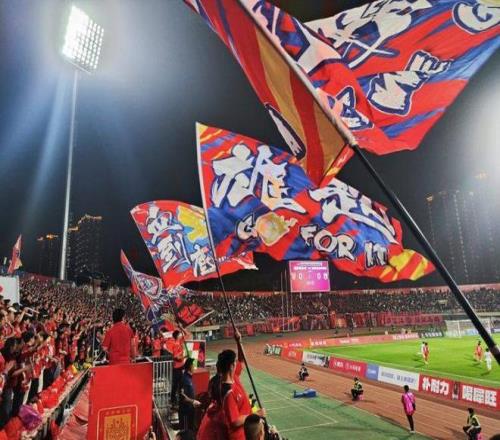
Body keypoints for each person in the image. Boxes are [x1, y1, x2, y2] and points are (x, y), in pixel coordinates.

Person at [221, 331, 265, 440]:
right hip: (239, 436)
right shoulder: (228, 392)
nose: (236, 363)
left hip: (245, 433)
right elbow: (235, 421)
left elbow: (241, 359)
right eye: (234, 362)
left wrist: (238, 342)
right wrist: (256, 414)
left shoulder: (234, 377)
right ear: (232, 366)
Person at [169, 326, 192, 408]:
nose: (180, 335)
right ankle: (173, 401)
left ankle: (179, 400)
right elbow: (176, 357)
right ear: (177, 336)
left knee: (181, 384)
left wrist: (181, 328)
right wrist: (185, 357)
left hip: (181, 367)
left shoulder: (180, 341)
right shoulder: (175, 344)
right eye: (179, 334)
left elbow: (188, 335)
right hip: (177, 368)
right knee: (176, 385)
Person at [179, 358, 201, 431]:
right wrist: (193, 401)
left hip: (190, 410)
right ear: (190, 367)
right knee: (186, 432)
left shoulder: (188, 378)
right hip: (185, 412)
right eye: (193, 365)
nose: (194, 367)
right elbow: (182, 396)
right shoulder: (184, 379)